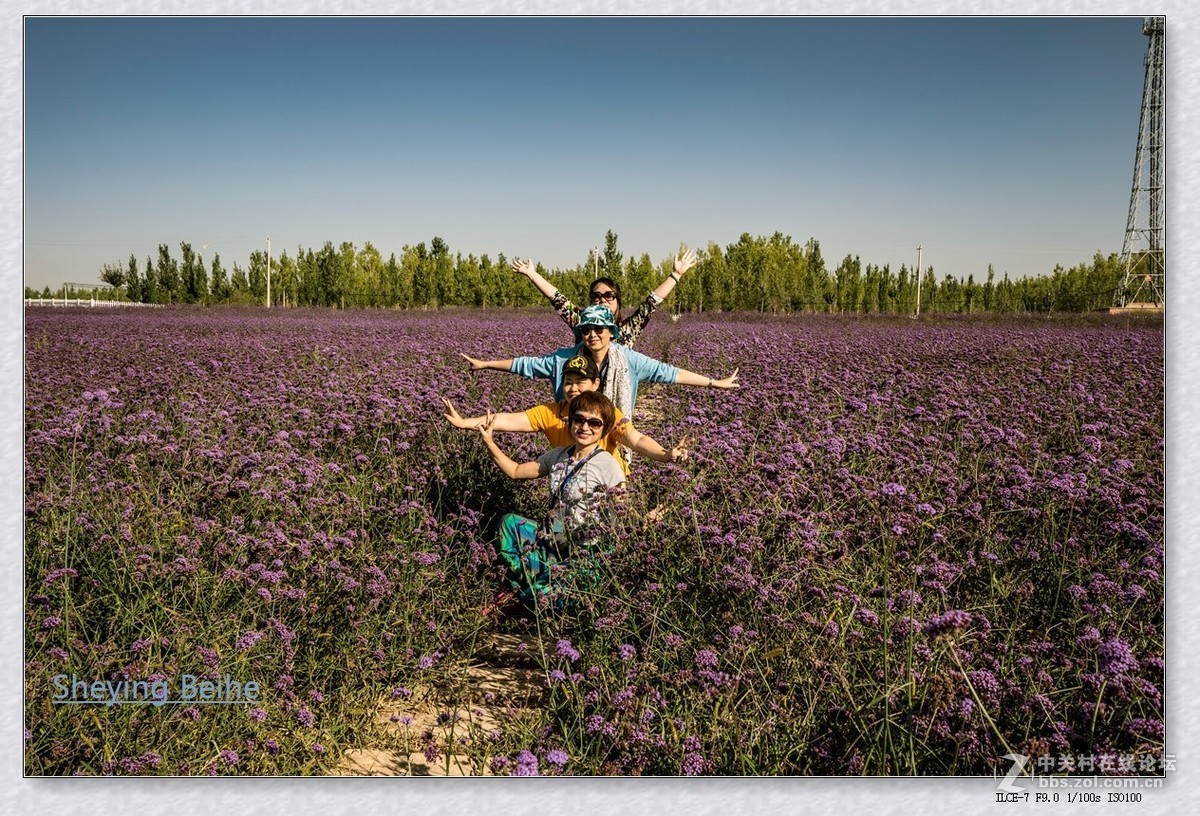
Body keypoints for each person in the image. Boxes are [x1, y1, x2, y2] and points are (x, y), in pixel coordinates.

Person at [475, 390, 626, 604]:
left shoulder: (608, 465)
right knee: (510, 523)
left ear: (604, 429)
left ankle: (528, 592)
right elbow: (516, 471)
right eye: (579, 419)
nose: (585, 427)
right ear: (570, 421)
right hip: (554, 541)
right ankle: (527, 580)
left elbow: (622, 510)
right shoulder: (559, 455)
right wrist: (489, 442)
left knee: (542, 595)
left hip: (586, 551)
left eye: (594, 423)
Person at [460, 304, 738, 420]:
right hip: (572, 431)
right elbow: (526, 365)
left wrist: (714, 383)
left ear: (611, 333)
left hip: (612, 432)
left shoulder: (627, 360)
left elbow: (668, 373)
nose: (592, 335)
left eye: (599, 329)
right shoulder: (564, 359)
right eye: (585, 329)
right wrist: (485, 364)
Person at [442, 351, 689, 473]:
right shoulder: (552, 413)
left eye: (580, 382)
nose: (573, 388)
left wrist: (666, 455)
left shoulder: (606, 413)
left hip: (610, 491)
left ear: (595, 384)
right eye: (568, 381)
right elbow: (507, 419)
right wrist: (465, 422)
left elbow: (636, 439)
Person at [511, 247, 697, 348]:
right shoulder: (581, 322)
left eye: (609, 295)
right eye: (596, 296)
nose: (602, 300)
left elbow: (651, 303)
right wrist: (532, 275)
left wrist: (676, 275)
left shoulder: (628, 329)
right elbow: (558, 299)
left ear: (618, 300)